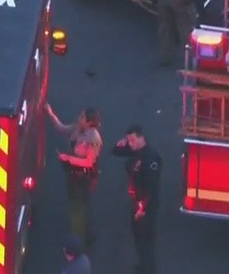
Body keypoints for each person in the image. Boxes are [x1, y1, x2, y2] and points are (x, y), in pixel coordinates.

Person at [47, 103, 102, 248]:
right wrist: (51, 114)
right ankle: (88, 234)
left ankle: (77, 242)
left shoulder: (93, 138)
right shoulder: (78, 128)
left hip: (83, 177)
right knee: (81, 205)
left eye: (83, 117)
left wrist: (68, 159)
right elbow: (62, 129)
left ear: (90, 122)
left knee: (77, 209)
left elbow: (89, 162)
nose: (79, 118)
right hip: (73, 174)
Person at [112, 125, 162, 274]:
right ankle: (143, 265)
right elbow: (115, 152)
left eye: (132, 140)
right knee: (138, 238)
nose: (130, 144)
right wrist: (120, 145)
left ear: (141, 137)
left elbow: (151, 188)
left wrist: (143, 209)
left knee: (146, 240)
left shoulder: (151, 158)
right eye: (129, 140)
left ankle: (149, 269)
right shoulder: (135, 150)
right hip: (136, 202)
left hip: (146, 207)